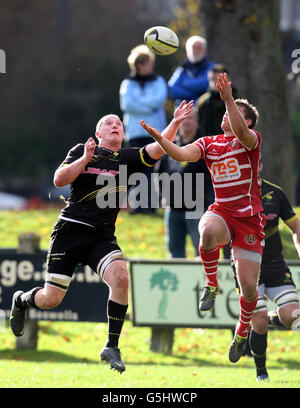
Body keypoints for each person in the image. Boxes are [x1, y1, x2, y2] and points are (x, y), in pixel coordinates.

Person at [9, 100, 194, 373]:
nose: (115, 125)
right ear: (98, 134)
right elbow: (60, 180)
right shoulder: (81, 151)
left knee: (121, 277)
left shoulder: (127, 158)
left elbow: (158, 149)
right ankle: (21, 300)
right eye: (109, 123)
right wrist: (84, 159)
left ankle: (111, 346)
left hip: (101, 237)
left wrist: (176, 122)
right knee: (51, 299)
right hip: (70, 231)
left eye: (118, 123)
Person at [140, 73, 264, 363]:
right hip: (222, 210)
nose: (225, 114)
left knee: (247, 288)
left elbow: (243, 132)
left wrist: (230, 98)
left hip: (248, 219)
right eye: (224, 109)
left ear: (246, 121)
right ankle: (211, 284)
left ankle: (242, 331)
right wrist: (160, 137)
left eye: (233, 112)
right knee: (207, 232)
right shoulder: (209, 143)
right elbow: (182, 155)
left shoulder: (250, 141)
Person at [248, 163, 300, 381]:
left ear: (260, 165)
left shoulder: (276, 193)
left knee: (295, 317)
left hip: (275, 264)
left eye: (254, 161)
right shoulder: (229, 195)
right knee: (258, 321)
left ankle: (273, 317)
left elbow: (296, 227)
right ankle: (261, 372)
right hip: (247, 267)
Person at [195, 63, 238, 260]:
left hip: (233, 153)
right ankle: (212, 246)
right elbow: (201, 128)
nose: (215, 83)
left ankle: (232, 249)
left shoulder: (235, 98)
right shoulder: (204, 101)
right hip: (211, 154)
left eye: (219, 78)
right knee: (212, 199)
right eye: (212, 79)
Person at [119, 44, 168, 213]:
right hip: (135, 132)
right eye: (148, 62)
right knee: (136, 169)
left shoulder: (159, 81)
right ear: (139, 64)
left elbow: (158, 100)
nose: (151, 65)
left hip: (155, 132)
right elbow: (128, 105)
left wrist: (140, 104)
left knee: (153, 170)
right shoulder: (128, 83)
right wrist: (148, 105)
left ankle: (150, 206)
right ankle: (136, 205)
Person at [160, 108, 212, 258]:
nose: (187, 122)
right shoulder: (170, 144)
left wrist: (199, 195)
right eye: (184, 119)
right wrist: (163, 196)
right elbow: (159, 172)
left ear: (196, 121)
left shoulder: (204, 145)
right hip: (173, 207)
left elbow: (210, 177)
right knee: (174, 252)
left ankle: (204, 281)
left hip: (196, 207)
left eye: (190, 118)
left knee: (201, 249)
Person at [168, 35, 215, 107]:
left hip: (204, 111)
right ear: (188, 50)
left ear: (205, 51)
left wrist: (185, 83)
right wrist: (199, 93)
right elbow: (173, 90)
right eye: (194, 48)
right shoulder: (181, 69)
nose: (196, 51)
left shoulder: (212, 68)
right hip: (184, 114)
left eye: (199, 48)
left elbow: (206, 85)